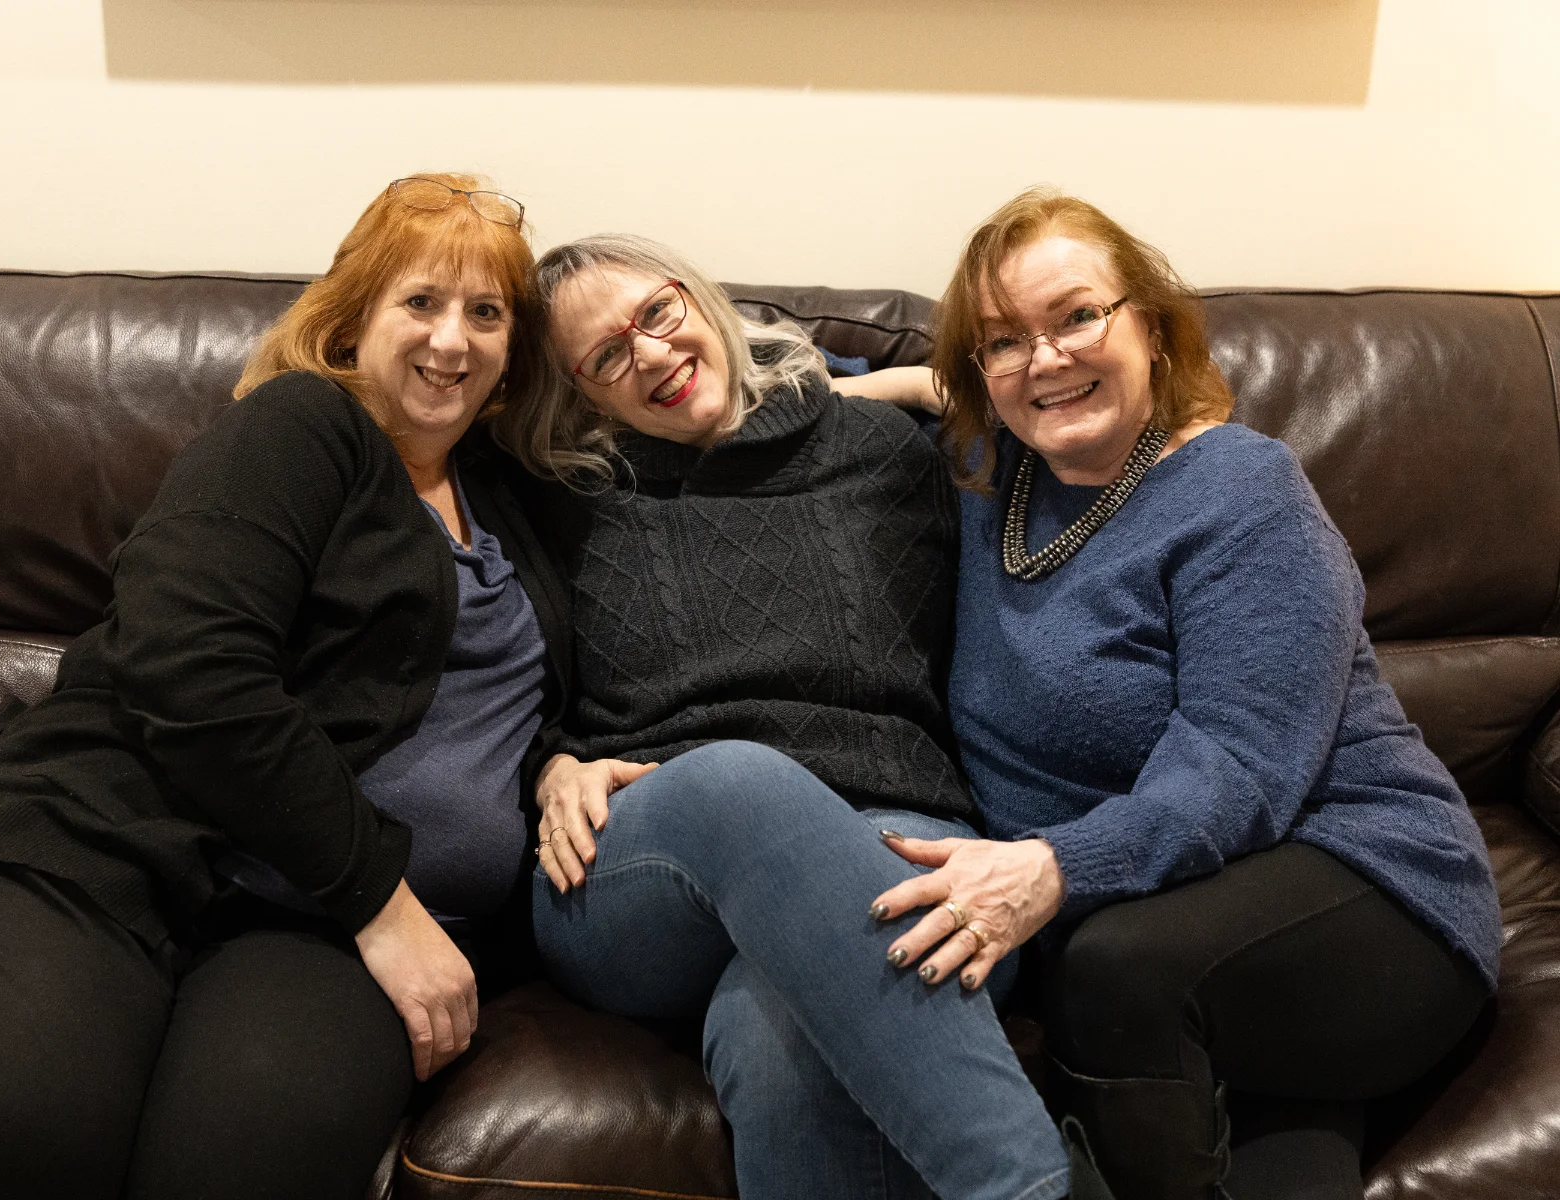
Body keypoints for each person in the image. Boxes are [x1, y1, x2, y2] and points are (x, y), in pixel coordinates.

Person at [0, 173, 570, 1200]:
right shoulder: (303, 428)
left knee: (239, 1168)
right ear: (354, 319)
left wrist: (567, 760)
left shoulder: (518, 499)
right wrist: (380, 902)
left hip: (302, 932)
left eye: (485, 313)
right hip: (111, 849)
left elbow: (704, 426)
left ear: (512, 353)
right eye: (422, 302)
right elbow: (189, 657)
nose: (453, 339)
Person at [875, 187, 1497, 1200]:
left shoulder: (1242, 492)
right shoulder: (991, 472)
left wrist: (1051, 870)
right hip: (1189, 927)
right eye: (1003, 343)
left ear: (1151, 330)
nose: (1046, 358)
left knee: (1117, 967)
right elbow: (847, 395)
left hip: (1360, 884)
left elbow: (1237, 768)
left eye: (1077, 316)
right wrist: (860, 388)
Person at [492, 234, 1072, 1200]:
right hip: (638, 858)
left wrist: (894, 388)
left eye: (658, 312)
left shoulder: (885, 453)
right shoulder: (565, 496)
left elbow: (1069, 453)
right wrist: (549, 765)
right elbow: (472, 673)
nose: (648, 353)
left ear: (703, 298)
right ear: (579, 395)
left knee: (775, 1033)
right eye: (602, 357)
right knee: (740, 777)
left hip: (897, 834)